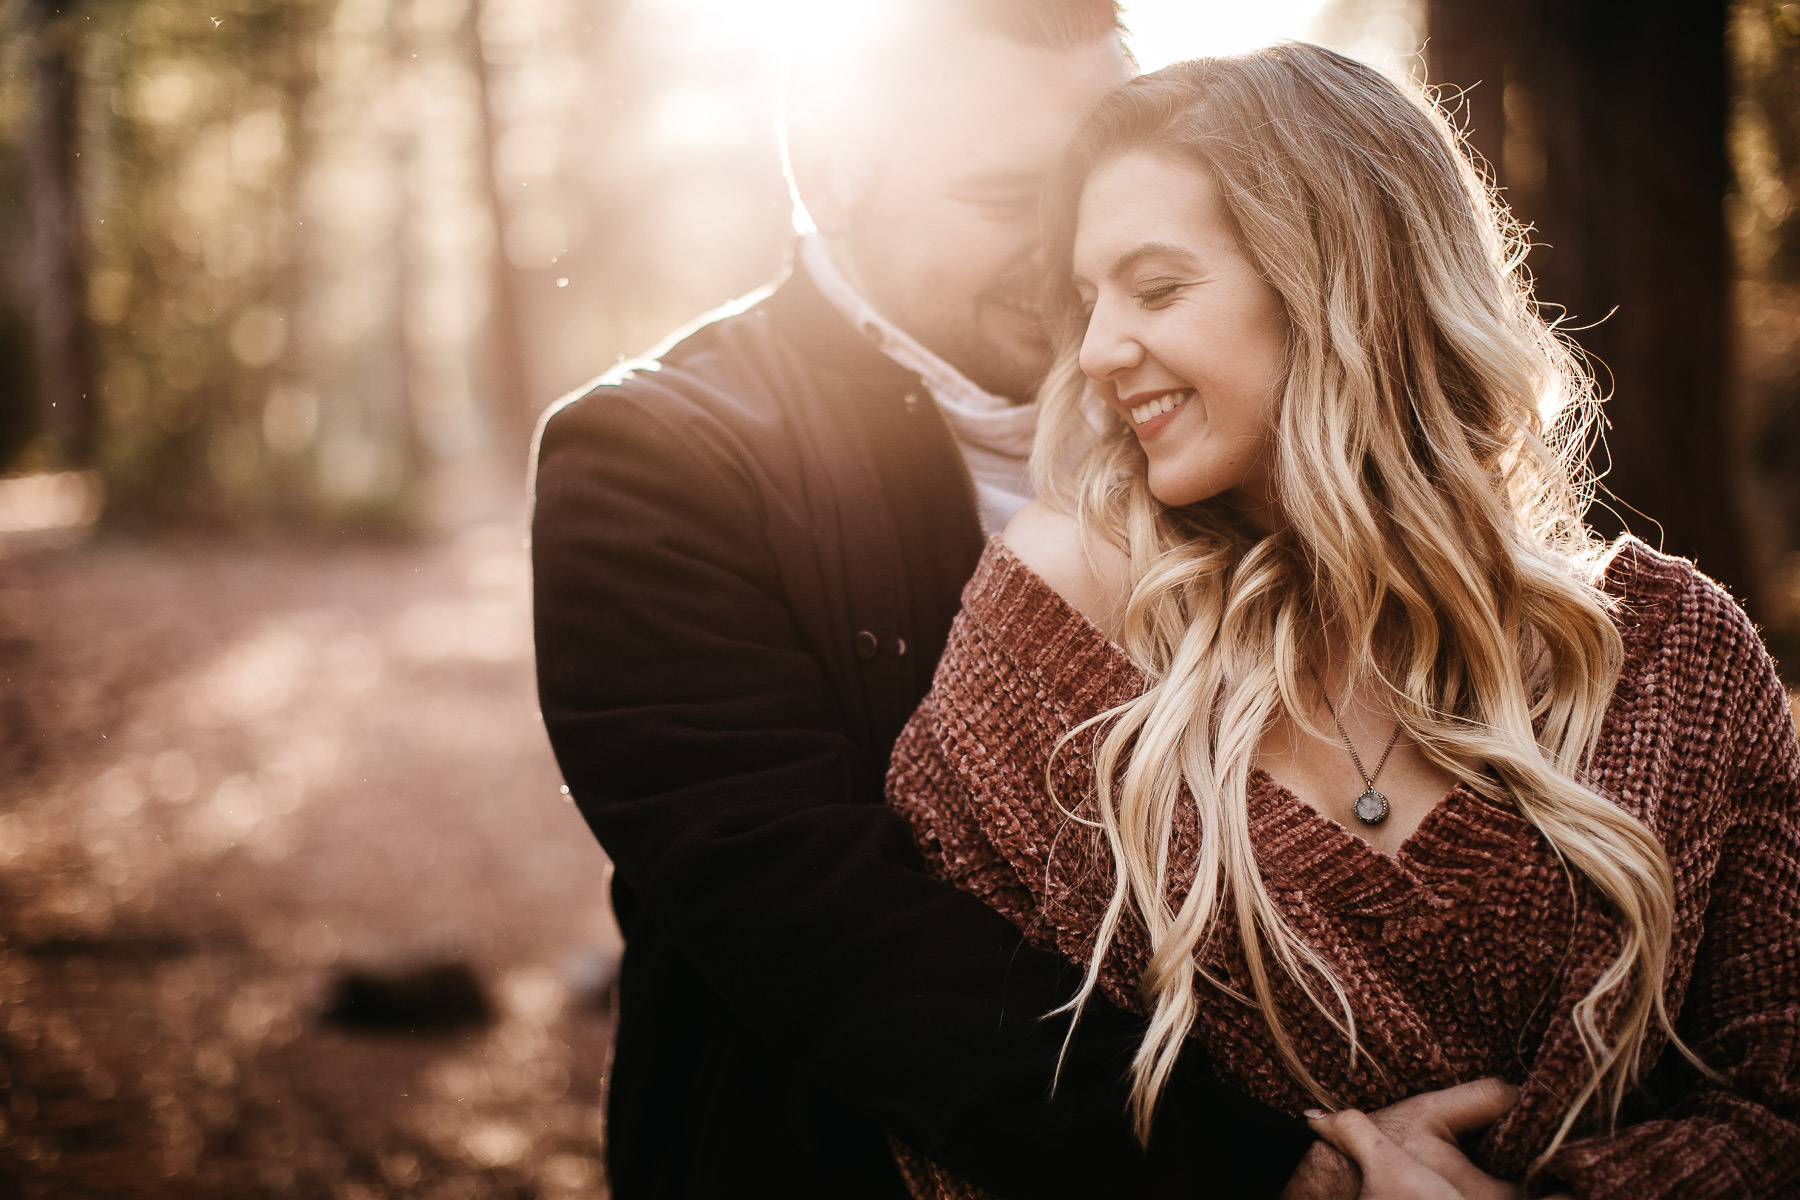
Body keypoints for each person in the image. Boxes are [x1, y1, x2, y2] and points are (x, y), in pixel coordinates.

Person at [530, 5, 1490, 1197]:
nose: (1065, 250)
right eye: (1004, 198)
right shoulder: (654, 458)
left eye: (1089, 183)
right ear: (837, 177)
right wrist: (1256, 1168)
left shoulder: (1216, 406)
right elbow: (806, 910)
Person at [888, 43, 1800, 1200]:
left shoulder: (1675, 655)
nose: (1100, 350)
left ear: (1338, 277)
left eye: (1157, 287)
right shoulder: (1058, 631)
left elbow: (1776, 1099)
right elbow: (960, 1108)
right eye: (1089, 300)